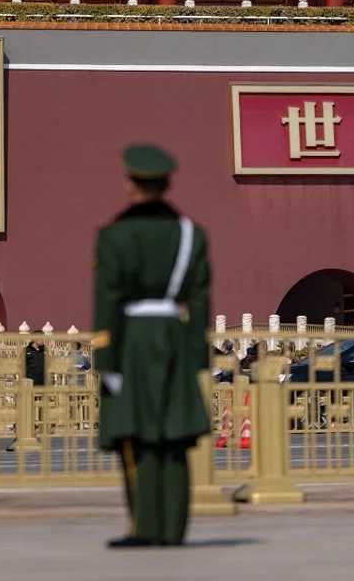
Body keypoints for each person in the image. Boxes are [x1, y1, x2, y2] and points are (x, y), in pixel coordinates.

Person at [91, 144, 212, 548]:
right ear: (167, 183)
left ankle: (145, 527)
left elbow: (106, 299)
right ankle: (173, 529)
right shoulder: (191, 235)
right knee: (173, 437)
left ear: (129, 183)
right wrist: (195, 352)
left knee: (137, 435)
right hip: (173, 335)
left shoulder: (114, 236)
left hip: (132, 338)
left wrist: (106, 356)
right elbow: (199, 299)